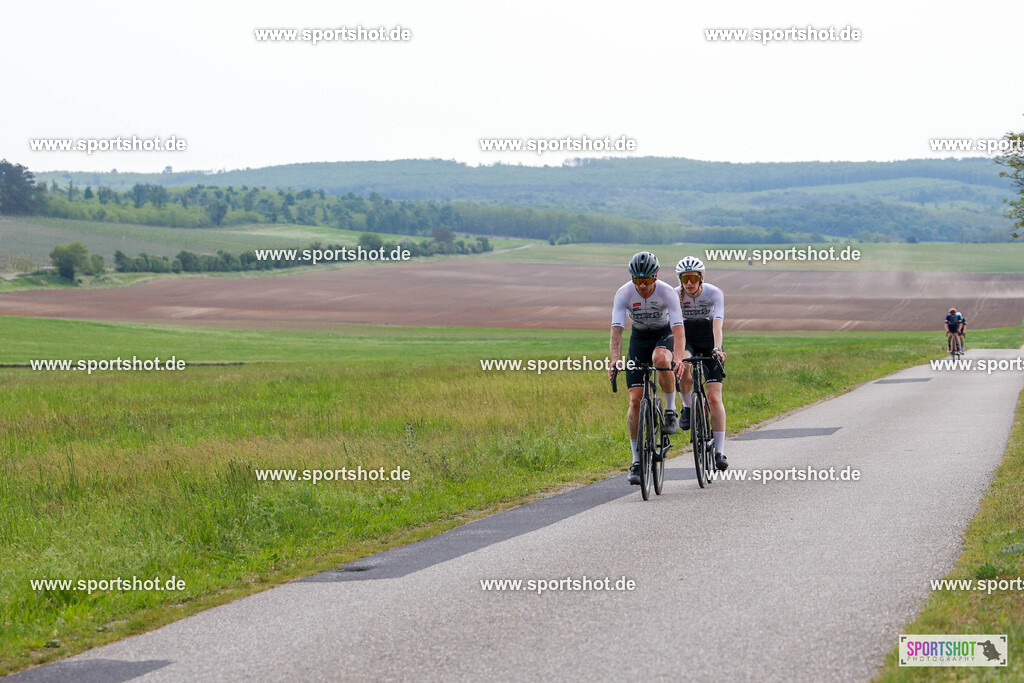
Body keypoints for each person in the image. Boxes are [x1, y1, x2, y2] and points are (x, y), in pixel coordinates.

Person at [609, 251, 688, 485]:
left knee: (661, 358)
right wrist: (615, 359)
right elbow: (617, 329)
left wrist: (680, 358)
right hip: (639, 339)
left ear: (655, 276)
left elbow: (679, 330)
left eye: (647, 280)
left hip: (663, 336)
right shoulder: (623, 293)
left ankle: (671, 409)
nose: (642, 286)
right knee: (635, 400)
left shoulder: (665, 292)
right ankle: (635, 461)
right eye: (637, 280)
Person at [674, 256, 729, 471]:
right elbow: (674, 327)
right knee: (683, 366)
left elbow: (718, 323)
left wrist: (717, 348)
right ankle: (687, 407)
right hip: (687, 339)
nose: (688, 283)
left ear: (701, 277)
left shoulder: (714, 293)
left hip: (709, 340)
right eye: (684, 278)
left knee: (714, 397)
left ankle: (719, 451)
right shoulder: (674, 294)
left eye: (693, 278)